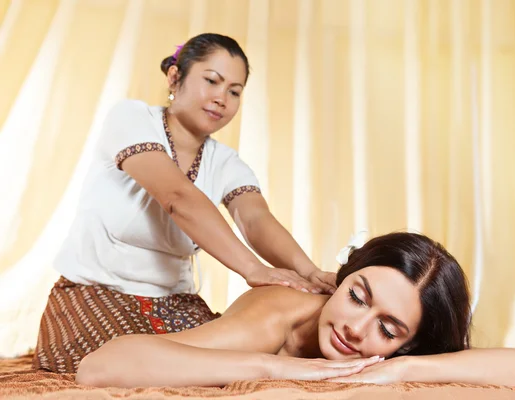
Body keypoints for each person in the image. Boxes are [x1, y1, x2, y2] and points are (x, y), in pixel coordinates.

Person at [33, 33, 336, 374]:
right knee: (133, 368)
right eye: (212, 81)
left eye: (234, 91)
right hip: (93, 295)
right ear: (175, 78)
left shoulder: (226, 162)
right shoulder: (131, 119)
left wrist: (309, 273)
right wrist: (253, 270)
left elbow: (255, 219)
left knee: (233, 357)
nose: (222, 98)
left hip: (176, 304)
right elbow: (178, 198)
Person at [75, 232, 515, 388]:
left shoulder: (399, 355)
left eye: (388, 329)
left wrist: (401, 369)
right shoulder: (275, 317)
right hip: (129, 312)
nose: (355, 328)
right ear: (341, 278)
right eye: (357, 295)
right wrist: (275, 365)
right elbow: (100, 365)